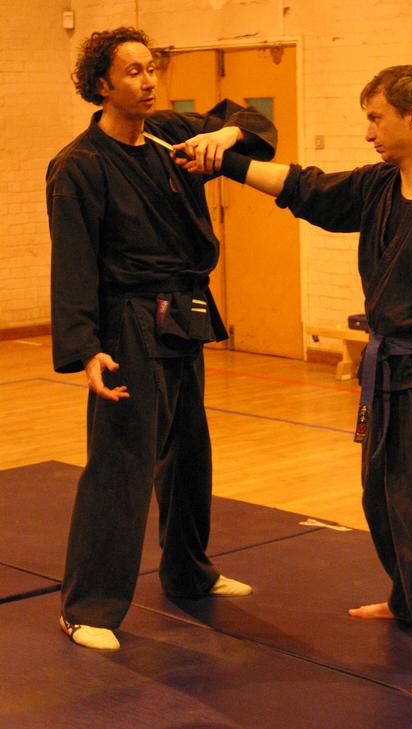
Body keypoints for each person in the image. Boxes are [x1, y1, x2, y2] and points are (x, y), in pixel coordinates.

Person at [176, 65, 412, 698]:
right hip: (382, 374)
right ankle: (409, 601)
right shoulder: (381, 186)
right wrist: (227, 164)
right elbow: (308, 189)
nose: (368, 133)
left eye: (376, 119)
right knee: (380, 498)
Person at [46, 26, 277, 651]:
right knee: (122, 461)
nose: (149, 81)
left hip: (182, 310)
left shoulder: (172, 135)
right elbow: (73, 262)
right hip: (126, 319)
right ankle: (86, 606)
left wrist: (226, 137)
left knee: (189, 450)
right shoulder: (80, 165)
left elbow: (256, 124)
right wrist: (85, 348)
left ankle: (188, 571)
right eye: (134, 72)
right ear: (102, 85)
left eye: (153, 69)